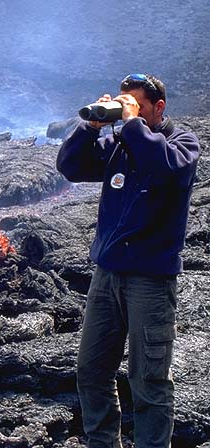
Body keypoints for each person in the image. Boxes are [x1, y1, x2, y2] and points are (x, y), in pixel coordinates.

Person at [56, 74, 200, 447]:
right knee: (91, 370)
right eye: (124, 105)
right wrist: (90, 127)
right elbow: (71, 166)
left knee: (149, 380)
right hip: (108, 276)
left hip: (150, 282)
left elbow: (163, 168)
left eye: (134, 105)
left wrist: (133, 124)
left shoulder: (181, 144)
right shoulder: (120, 146)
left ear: (158, 107)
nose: (127, 113)